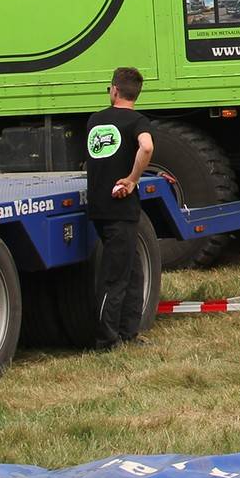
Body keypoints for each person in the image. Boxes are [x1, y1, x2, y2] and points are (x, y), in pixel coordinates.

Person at [85, 66, 155, 350]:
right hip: (121, 209)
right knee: (115, 278)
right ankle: (106, 340)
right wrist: (133, 179)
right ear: (135, 93)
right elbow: (147, 147)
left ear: (114, 90)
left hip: (99, 207)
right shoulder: (137, 121)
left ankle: (129, 332)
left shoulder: (94, 121)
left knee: (133, 272)